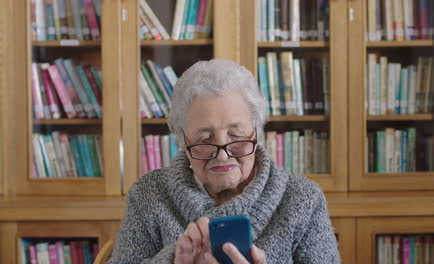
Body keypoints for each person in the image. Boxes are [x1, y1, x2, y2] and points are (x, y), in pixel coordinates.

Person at [107, 59, 340, 263]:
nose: (222, 155)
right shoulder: (148, 194)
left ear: (256, 132)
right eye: (204, 140)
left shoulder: (302, 198)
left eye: (236, 136)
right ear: (183, 140)